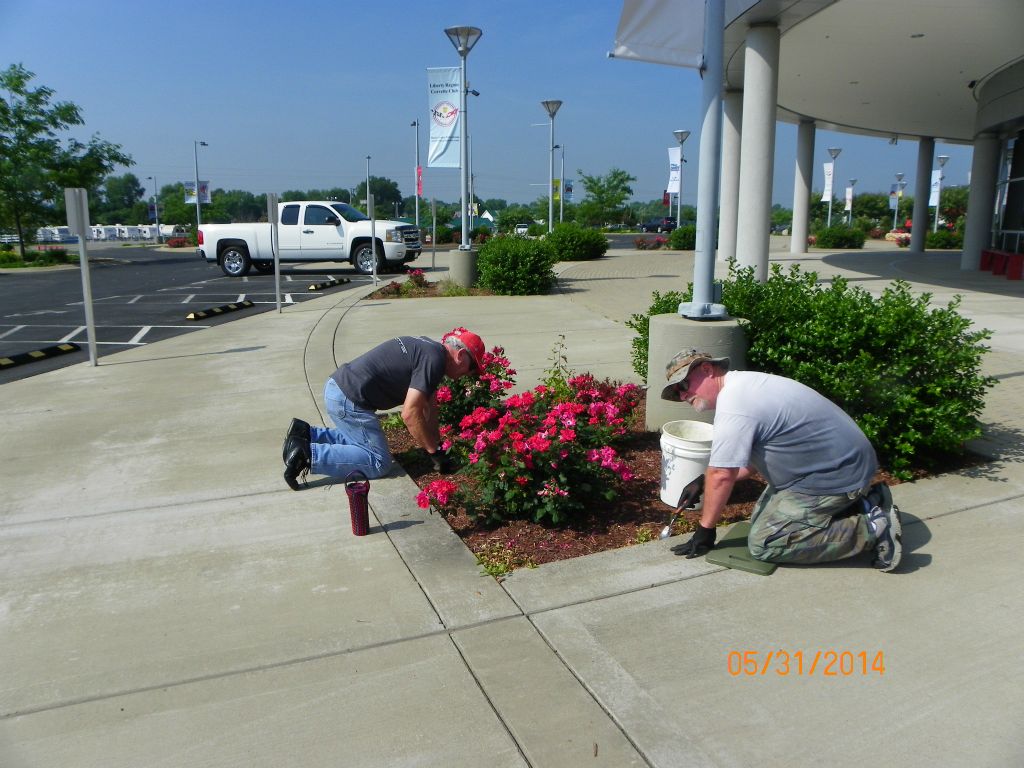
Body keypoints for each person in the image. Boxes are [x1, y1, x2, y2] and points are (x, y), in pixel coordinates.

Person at [659, 349, 903, 572]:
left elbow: (722, 473)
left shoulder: (735, 404)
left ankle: (874, 529)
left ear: (707, 369)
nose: (683, 395)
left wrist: (706, 529)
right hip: (836, 468)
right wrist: (703, 482)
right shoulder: (745, 385)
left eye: (684, 384)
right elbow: (750, 461)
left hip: (835, 476)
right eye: (677, 392)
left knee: (766, 543)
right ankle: (865, 502)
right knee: (760, 522)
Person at [281, 327, 485, 490]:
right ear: (460, 356)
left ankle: (306, 434)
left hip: (339, 389)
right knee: (378, 462)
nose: (469, 374)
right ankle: (308, 454)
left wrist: (437, 445)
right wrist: (433, 450)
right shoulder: (435, 360)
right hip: (350, 400)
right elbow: (410, 413)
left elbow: (427, 407)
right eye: (472, 367)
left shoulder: (430, 350)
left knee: (360, 441)